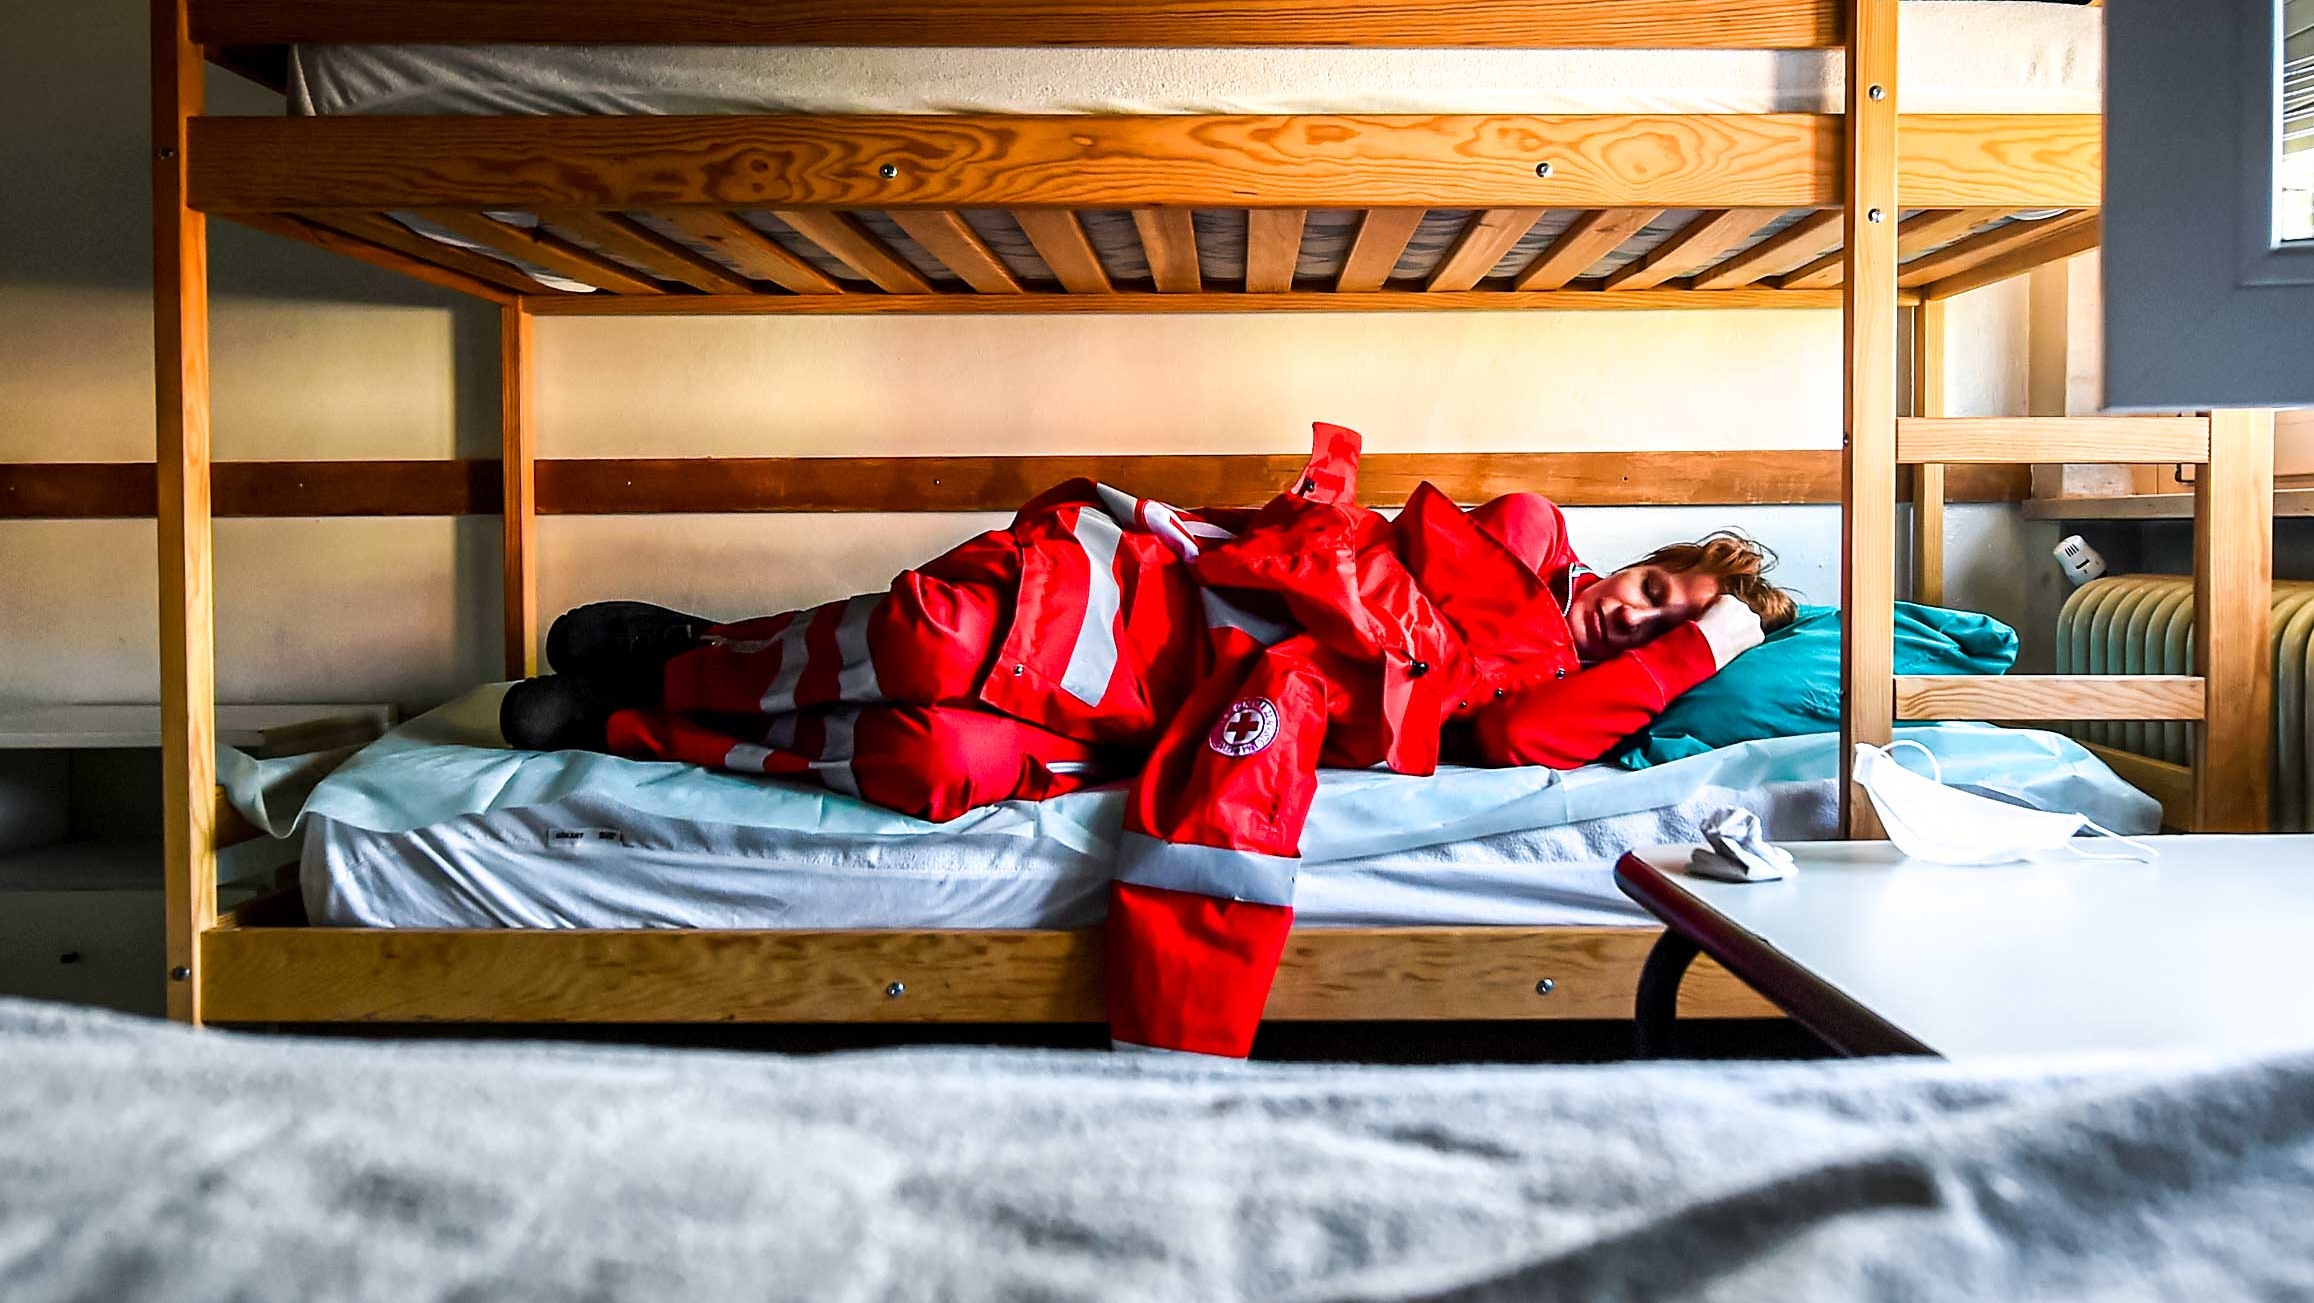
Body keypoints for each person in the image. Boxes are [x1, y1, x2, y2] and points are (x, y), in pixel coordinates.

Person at [503, 424, 1795, 1059]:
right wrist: (1650, 632)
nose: (1632, 618)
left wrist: (1700, 650)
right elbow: (1477, 609)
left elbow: (1519, 736)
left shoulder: (1549, 683)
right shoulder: (1523, 536)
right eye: (1658, 593)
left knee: (939, 761)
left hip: (1172, 713)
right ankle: (692, 650)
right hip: (1159, 603)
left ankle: (634, 721)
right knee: (936, 641)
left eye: (1657, 639)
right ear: (1639, 560)